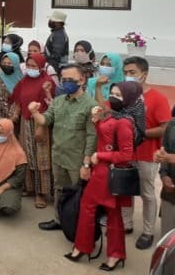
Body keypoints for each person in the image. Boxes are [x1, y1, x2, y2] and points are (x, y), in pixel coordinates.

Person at [64, 81, 138, 270]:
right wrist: (97, 123)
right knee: (99, 210)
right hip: (102, 171)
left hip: (109, 172)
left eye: (119, 95)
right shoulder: (114, 115)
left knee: (100, 211)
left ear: (129, 98)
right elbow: (106, 140)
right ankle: (106, 252)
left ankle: (90, 249)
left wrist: (100, 156)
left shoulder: (124, 122)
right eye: (112, 93)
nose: (113, 97)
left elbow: (126, 154)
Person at [29, 64, 97, 231]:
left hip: (77, 160)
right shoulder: (58, 101)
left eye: (70, 79)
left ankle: (80, 228)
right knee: (59, 189)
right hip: (59, 155)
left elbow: (92, 136)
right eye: (63, 79)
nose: (66, 83)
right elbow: (45, 121)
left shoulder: (90, 105)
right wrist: (34, 112)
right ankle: (60, 220)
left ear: (81, 80)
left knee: (79, 195)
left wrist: (87, 164)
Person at [122, 56, 172, 250]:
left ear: (144, 74)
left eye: (132, 72)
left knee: (147, 193)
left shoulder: (157, 98)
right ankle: (126, 224)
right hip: (126, 153)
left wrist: (139, 133)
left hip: (147, 154)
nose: (128, 76)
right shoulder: (124, 96)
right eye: (125, 73)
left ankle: (148, 232)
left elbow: (165, 127)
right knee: (125, 189)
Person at [9, 53, 55, 208]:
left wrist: (41, 128)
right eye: (28, 65)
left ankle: (41, 193)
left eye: (34, 66)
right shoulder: (24, 81)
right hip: (25, 123)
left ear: (41, 66)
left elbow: (50, 107)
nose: (30, 68)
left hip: (40, 123)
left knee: (40, 158)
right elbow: (18, 100)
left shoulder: (47, 82)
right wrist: (15, 115)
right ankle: (29, 188)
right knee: (26, 156)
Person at [155, 117, 175, 237]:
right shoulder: (172, 124)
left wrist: (171, 158)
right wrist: (164, 175)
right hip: (170, 192)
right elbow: (164, 151)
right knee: (167, 238)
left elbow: (168, 156)